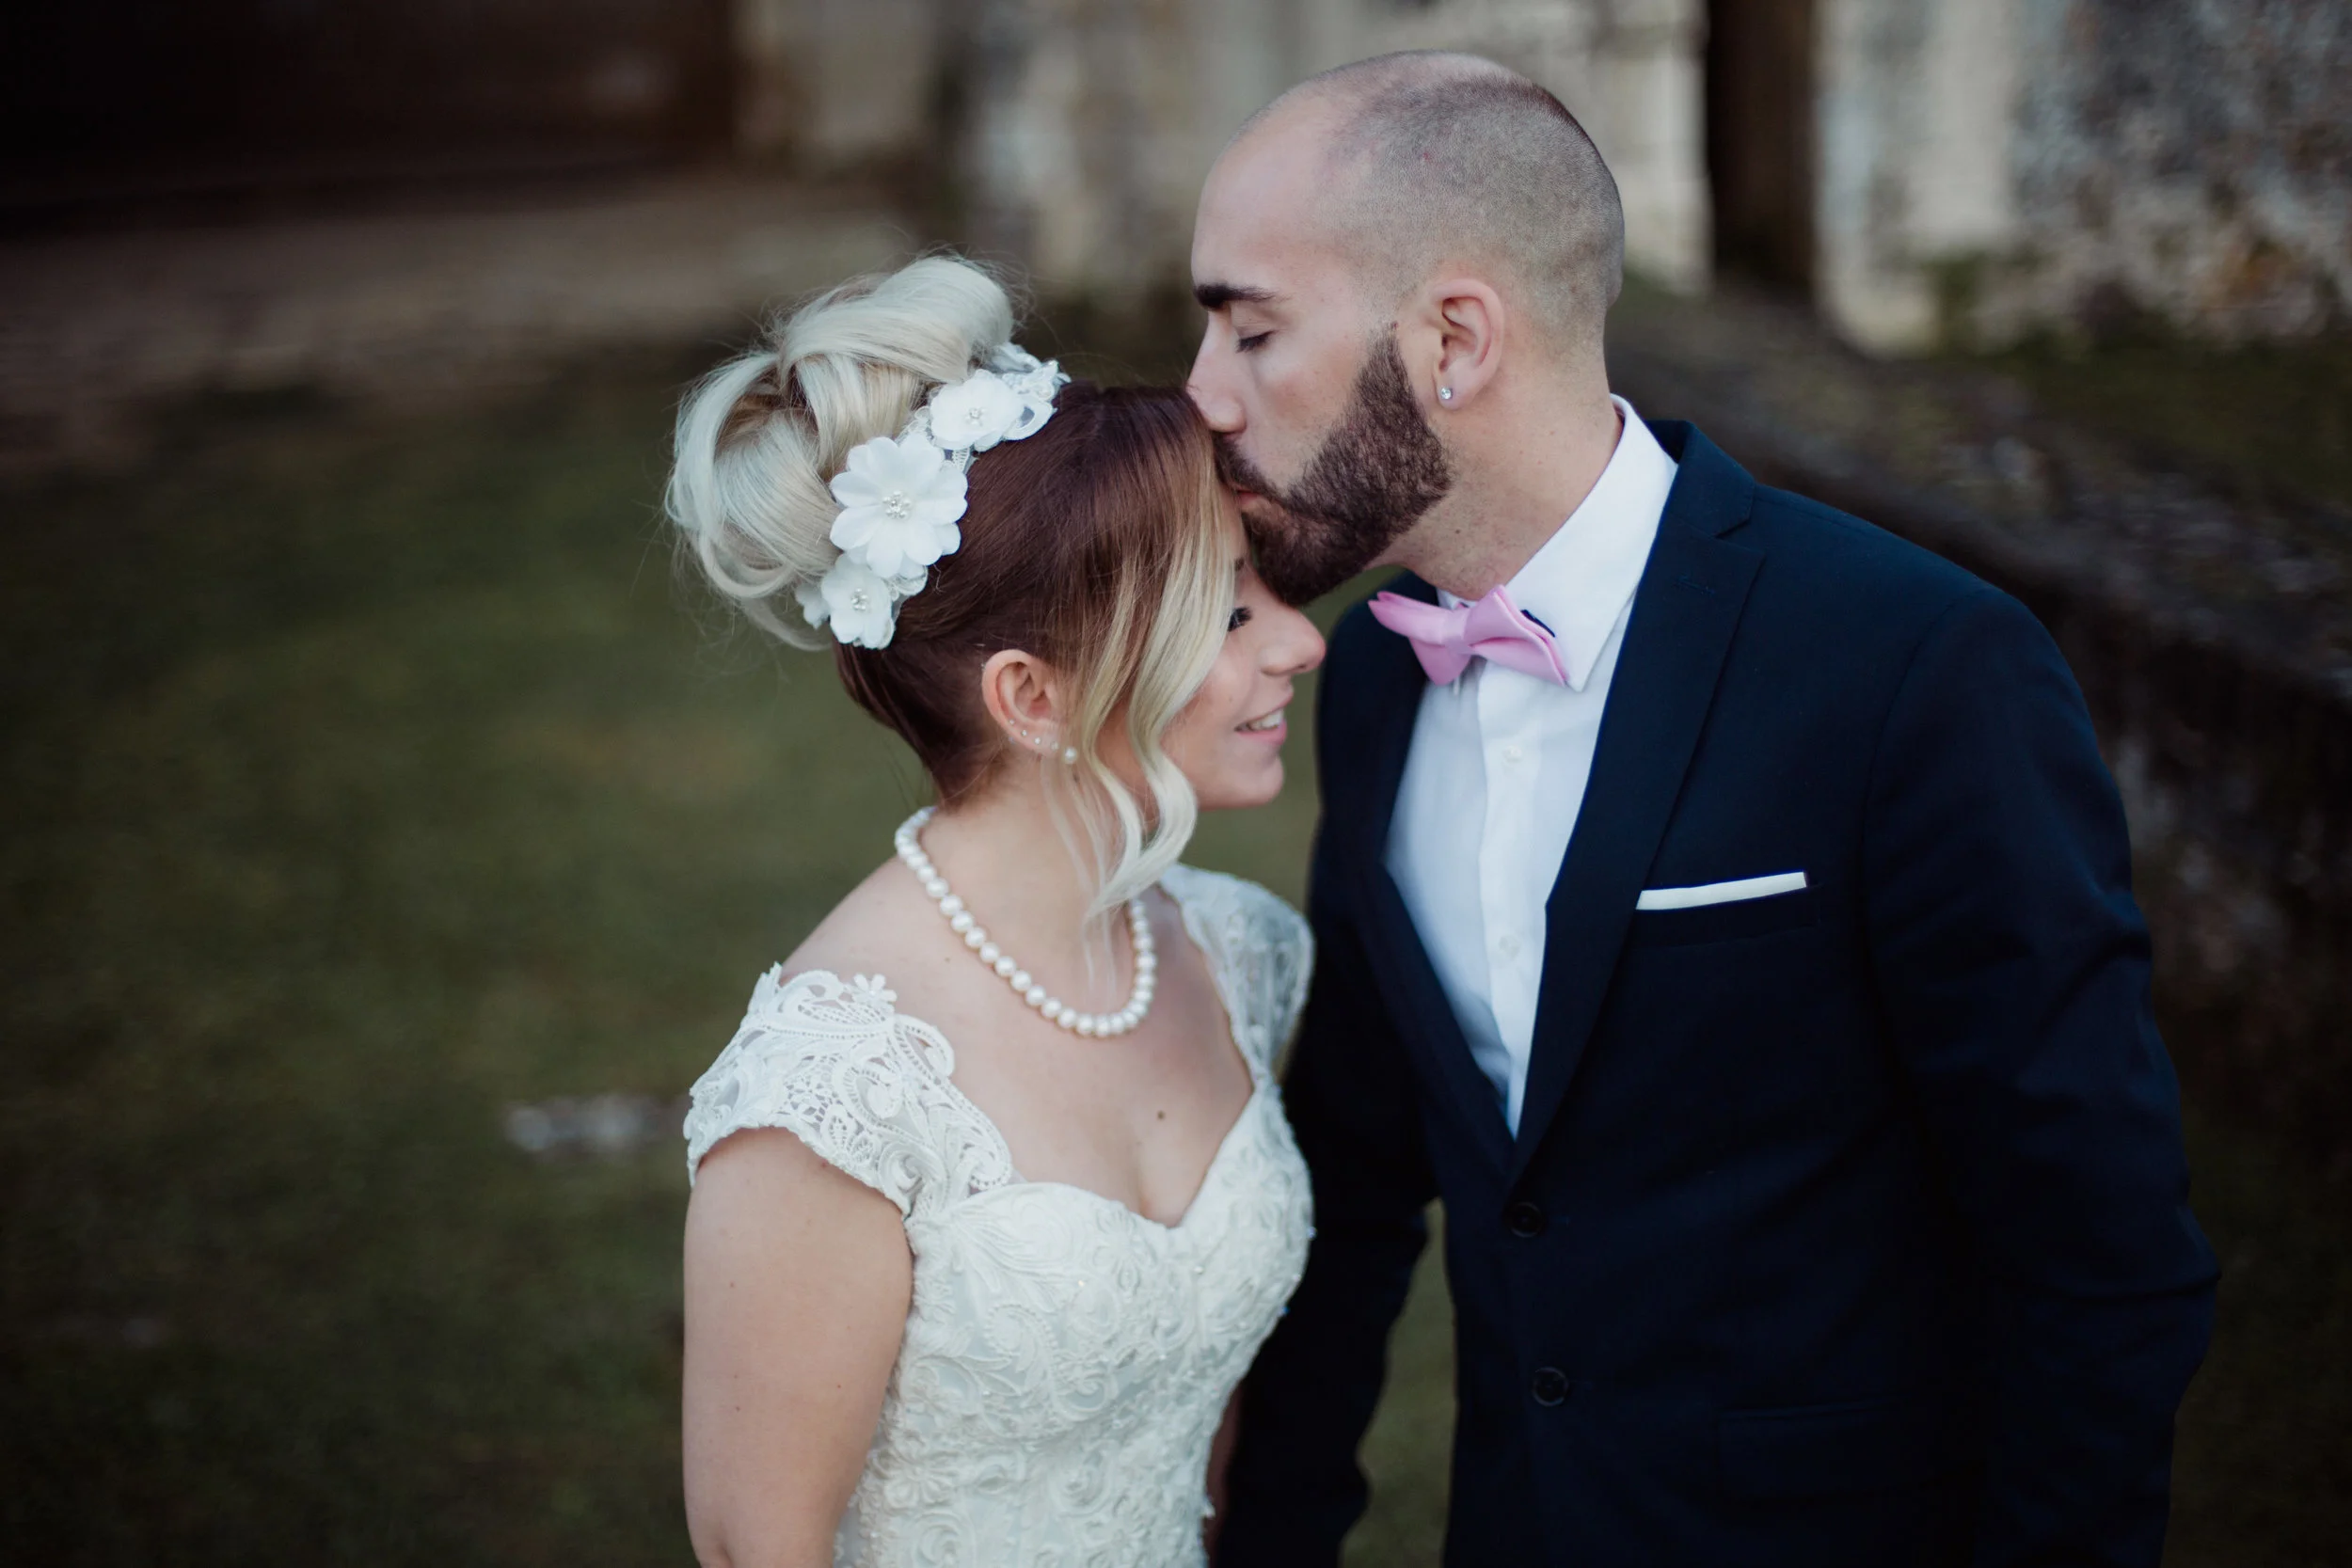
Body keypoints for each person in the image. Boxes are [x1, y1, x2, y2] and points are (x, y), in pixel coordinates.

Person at [1194, 53, 2217, 1568]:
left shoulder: (1914, 670)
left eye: (1251, 328)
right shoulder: (1373, 687)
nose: (1204, 392)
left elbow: (2098, 1255)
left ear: (1457, 338)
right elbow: (1355, 1181)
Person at [666, 255, 1326, 1568]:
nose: (1297, 643)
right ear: (1032, 697)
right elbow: (759, 1546)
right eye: (1226, 612)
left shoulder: (1234, 950)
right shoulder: (831, 1095)